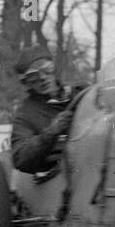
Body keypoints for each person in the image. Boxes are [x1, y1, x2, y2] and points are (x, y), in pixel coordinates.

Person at [9, 46, 84, 175]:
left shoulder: (81, 92)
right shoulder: (25, 114)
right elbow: (20, 158)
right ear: (26, 83)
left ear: (54, 69)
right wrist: (51, 132)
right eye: (33, 76)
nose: (43, 78)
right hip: (60, 176)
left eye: (46, 69)